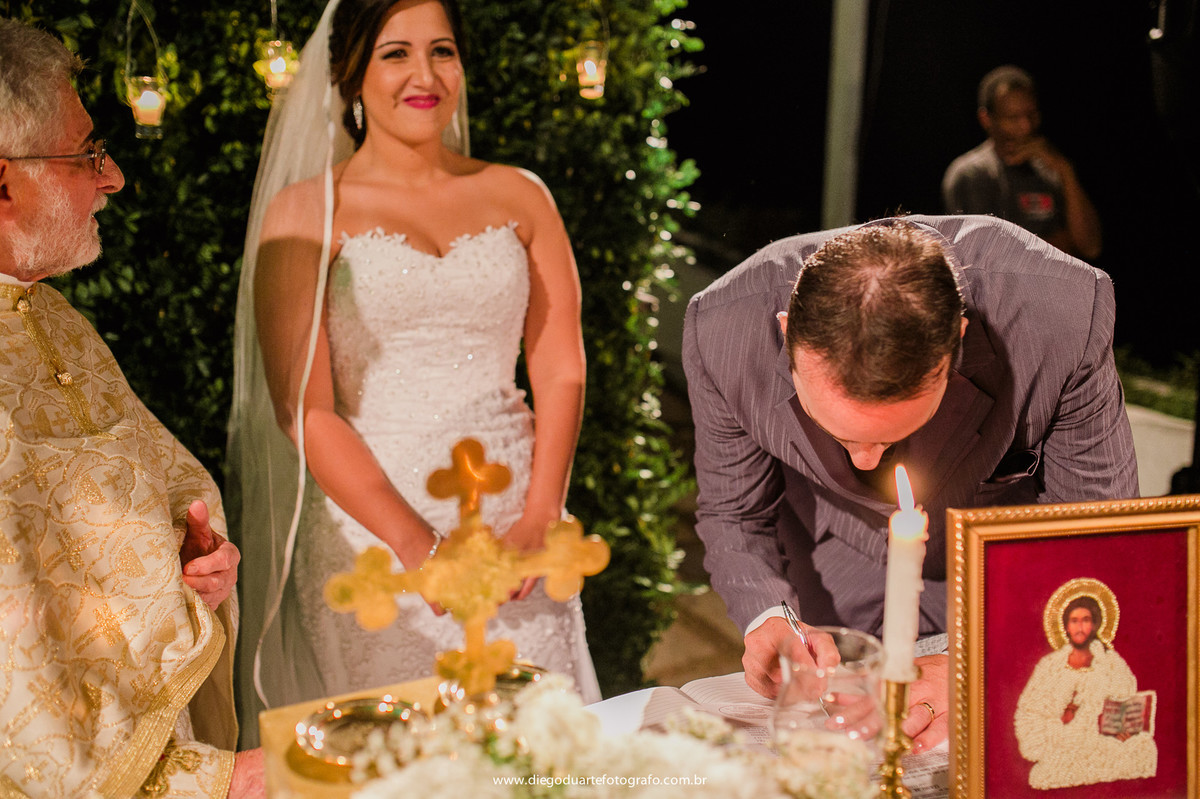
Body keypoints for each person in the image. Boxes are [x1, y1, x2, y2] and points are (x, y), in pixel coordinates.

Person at [227, 0, 598, 744]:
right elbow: (304, 408)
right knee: (404, 753)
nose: (424, 74)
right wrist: (416, 545)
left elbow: (559, 365)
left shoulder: (520, 193)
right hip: (376, 522)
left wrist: (539, 512)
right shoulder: (305, 212)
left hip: (512, 516)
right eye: (396, 53)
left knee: (530, 743)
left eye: (443, 50)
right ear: (353, 73)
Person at [682, 215, 1138, 752]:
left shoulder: (1059, 315)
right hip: (831, 569)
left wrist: (980, 658)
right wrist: (767, 615)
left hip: (1001, 589)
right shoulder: (722, 331)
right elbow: (734, 515)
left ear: (957, 343)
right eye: (839, 430)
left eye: (896, 430)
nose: (866, 459)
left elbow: (1098, 533)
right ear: (787, 334)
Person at [0, 19, 263, 797]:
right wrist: (204, 782)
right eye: (85, 154)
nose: (111, 176)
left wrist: (191, 571)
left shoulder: (50, 318)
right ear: (4, 181)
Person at [942, 65, 1103, 260]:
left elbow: (1090, 247)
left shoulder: (1051, 170)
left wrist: (1065, 170)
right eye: (1013, 118)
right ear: (986, 119)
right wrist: (1059, 243)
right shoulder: (971, 173)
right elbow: (987, 259)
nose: (1026, 125)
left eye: (1031, 114)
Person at [1015, 587, 1157, 789]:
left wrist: (1125, 729)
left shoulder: (1110, 662)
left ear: (1095, 624)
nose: (1080, 627)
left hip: (1104, 741)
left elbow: (1126, 698)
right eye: (1074, 621)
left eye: (1086, 620)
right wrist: (1059, 721)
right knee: (1049, 770)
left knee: (1144, 749)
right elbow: (1029, 711)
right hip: (1063, 739)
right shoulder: (1050, 666)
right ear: (1066, 626)